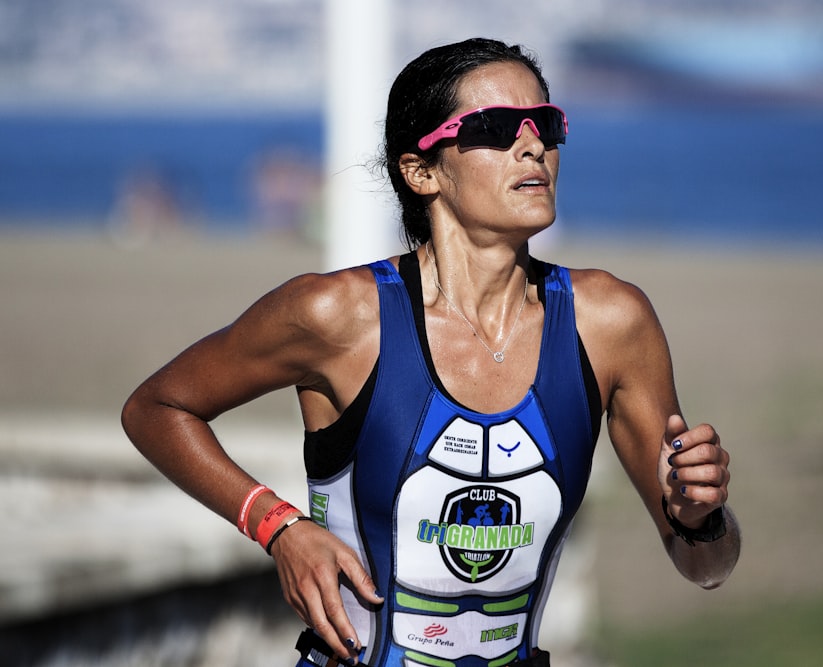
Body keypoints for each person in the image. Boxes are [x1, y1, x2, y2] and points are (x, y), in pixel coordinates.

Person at [121, 37, 740, 667]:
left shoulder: (609, 322)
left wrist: (701, 519)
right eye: (496, 128)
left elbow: (707, 567)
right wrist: (278, 526)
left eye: (547, 125)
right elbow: (156, 407)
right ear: (421, 171)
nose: (534, 146)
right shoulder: (339, 316)